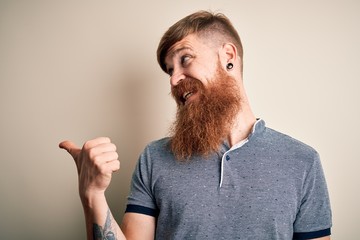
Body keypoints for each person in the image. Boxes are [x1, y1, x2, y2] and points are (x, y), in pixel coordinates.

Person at [59, 10, 332, 240]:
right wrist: (92, 195)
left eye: (184, 59)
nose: (174, 79)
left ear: (228, 56)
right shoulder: (154, 159)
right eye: (169, 70)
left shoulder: (302, 162)